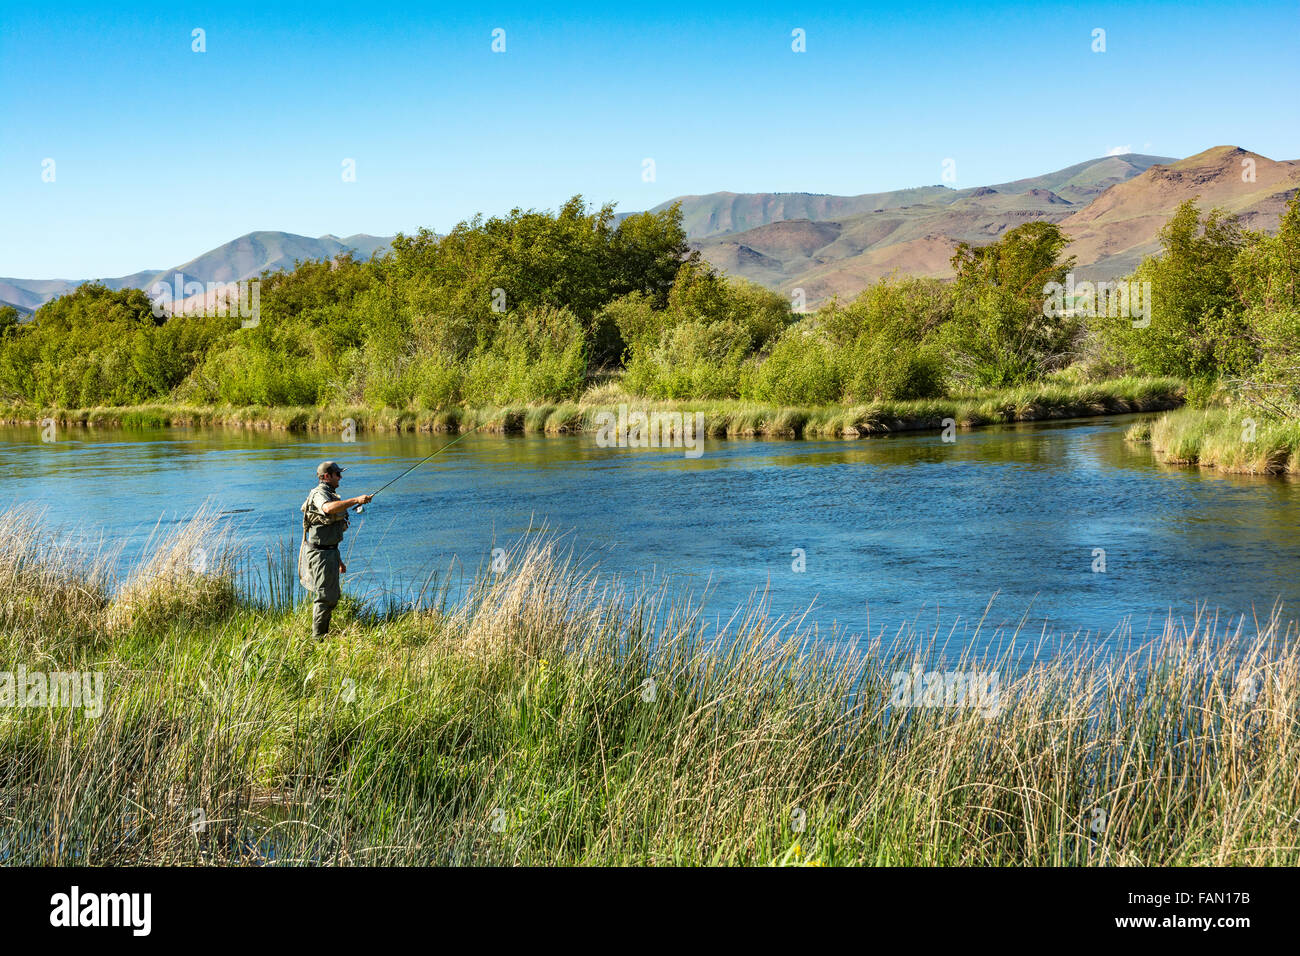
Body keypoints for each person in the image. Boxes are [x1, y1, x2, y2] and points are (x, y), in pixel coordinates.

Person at [299, 461, 372, 638]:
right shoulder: (319, 494)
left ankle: (322, 635)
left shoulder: (331, 494)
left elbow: (329, 534)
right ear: (326, 476)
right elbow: (327, 509)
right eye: (337, 474)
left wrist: (338, 559)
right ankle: (318, 640)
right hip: (320, 554)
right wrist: (355, 500)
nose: (340, 477)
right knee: (325, 598)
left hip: (329, 552)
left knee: (332, 596)